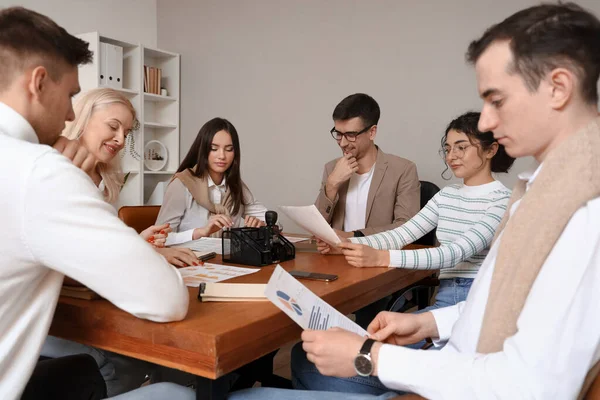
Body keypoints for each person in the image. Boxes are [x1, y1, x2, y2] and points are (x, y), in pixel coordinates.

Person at [226, 3, 600, 399]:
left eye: (497, 100)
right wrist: (428, 325)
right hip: (452, 353)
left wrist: (374, 356)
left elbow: (530, 384)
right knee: (310, 359)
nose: (487, 122)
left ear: (558, 87)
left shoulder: (582, 211)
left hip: (454, 378)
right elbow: (496, 306)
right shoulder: (540, 190)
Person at [0, 6, 194, 400]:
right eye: (71, 94)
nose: (70, 111)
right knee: (181, 392)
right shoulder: (42, 171)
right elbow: (168, 299)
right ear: (38, 82)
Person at [296, 111, 513, 385]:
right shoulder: (446, 196)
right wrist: (345, 243)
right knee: (305, 358)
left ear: (491, 149)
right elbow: (401, 234)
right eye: (447, 148)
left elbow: (454, 252)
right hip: (443, 302)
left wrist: (382, 258)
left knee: (316, 367)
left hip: (476, 305)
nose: (451, 155)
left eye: (462, 147)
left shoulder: (503, 200)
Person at [41, 88, 201, 397]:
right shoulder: (57, 173)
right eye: (113, 126)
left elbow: (93, 247)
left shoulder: (102, 178)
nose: (119, 138)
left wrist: (137, 243)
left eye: (125, 132)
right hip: (57, 316)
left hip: (80, 303)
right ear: (83, 120)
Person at [315, 93, 420, 239]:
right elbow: (316, 229)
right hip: (337, 258)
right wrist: (331, 185)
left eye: (351, 135)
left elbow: (407, 228)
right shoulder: (332, 168)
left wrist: (353, 236)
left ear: (372, 132)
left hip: (380, 257)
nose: (343, 143)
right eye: (338, 134)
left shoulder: (403, 170)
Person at [157, 117, 268, 245]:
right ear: (203, 150)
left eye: (229, 149)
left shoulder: (236, 187)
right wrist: (200, 232)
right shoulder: (182, 184)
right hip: (189, 260)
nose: (222, 156)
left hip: (225, 262)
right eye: (214, 148)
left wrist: (262, 225)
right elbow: (159, 238)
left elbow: (274, 222)